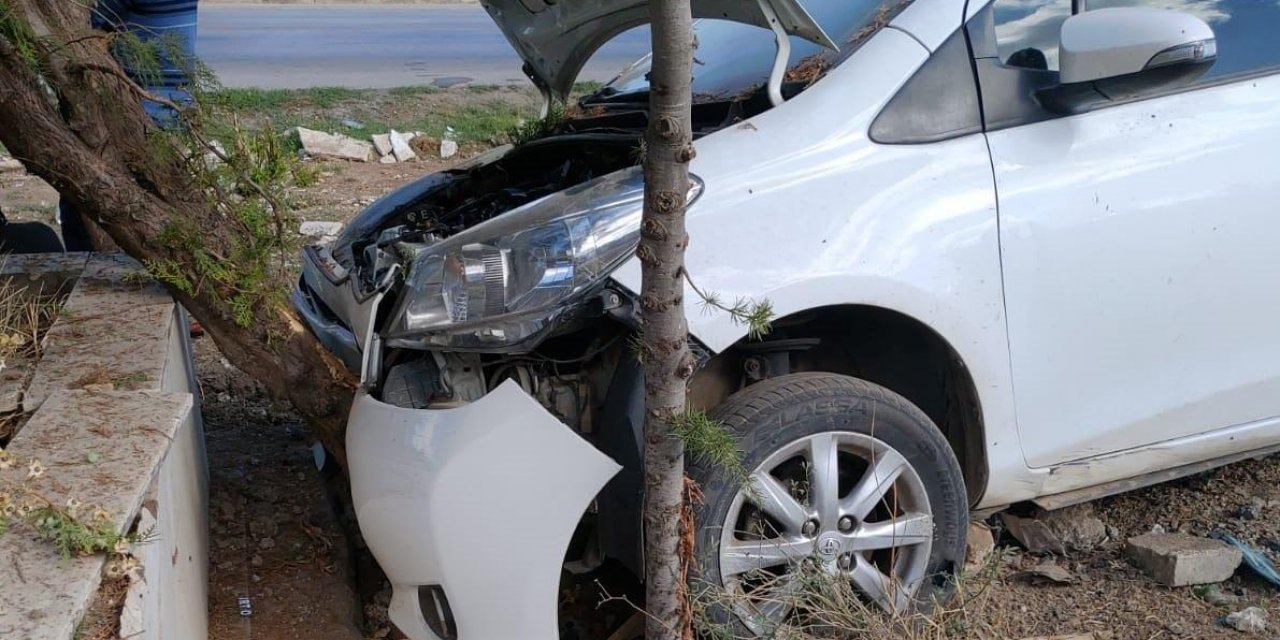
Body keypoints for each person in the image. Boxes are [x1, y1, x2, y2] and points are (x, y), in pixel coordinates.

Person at [58, 0, 199, 251]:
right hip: (172, 108)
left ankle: (95, 264)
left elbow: (82, 23)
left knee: (87, 201)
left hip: (140, 114)